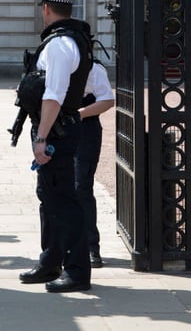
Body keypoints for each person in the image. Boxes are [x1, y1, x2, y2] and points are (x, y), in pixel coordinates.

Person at [16, 0, 93, 293]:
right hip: (58, 127)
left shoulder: (60, 44)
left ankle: (76, 271)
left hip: (56, 129)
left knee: (64, 200)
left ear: (46, 9)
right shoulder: (66, 40)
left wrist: (41, 137)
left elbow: (54, 95)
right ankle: (51, 261)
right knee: (49, 197)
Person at [75, 57, 115, 268]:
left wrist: (79, 114)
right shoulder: (50, 61)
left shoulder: (93, 68)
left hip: (84, 128)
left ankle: (91, 247)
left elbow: (107, 99)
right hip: (54, 126)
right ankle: (61, 246)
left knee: (81, 187)